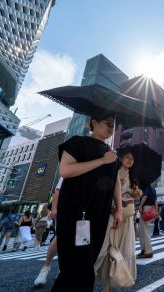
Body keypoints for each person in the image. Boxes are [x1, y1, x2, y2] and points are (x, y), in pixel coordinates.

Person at [51, 113, 122, 292]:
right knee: (74, 263)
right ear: (94, 122)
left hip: (99, 212)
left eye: (114, 126)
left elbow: (116, 181)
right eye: (108, 123)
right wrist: (102, 161)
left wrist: (119, 208)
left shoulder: (111, 153)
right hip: (75, 210)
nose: (111, 128)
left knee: (88, 260)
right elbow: (65, 170)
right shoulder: (77, 142)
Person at [95, 147, 141, 291]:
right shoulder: (113, 171)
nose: (130, 161)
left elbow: (134, 195)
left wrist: (137, 194)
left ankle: (109, 284)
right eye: (127, 157)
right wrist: (118, 199)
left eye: (132, 159)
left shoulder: (133, 175)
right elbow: (105, 191)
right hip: (112, 213)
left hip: (126, 216)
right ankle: (101, 280)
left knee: (121, 247)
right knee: (108, 246)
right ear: (120, 158)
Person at [34, 177, 63, 287]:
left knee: (76, 242)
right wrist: (54, 209)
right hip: (65, 208)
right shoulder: (72, 162)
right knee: (59, 238)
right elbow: (58, 190)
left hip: (83, 210)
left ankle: (63, 270)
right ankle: (45, 268)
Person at [138, 185, 157, 258]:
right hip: (151, 209)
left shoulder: (146, 187)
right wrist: (156, 210)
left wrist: (140, 206)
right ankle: (144, 250)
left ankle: (148, 251)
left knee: (144, 231)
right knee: (143, 230)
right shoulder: (153, 189)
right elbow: (155, 201)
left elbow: (145, 196)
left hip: (146, 208)